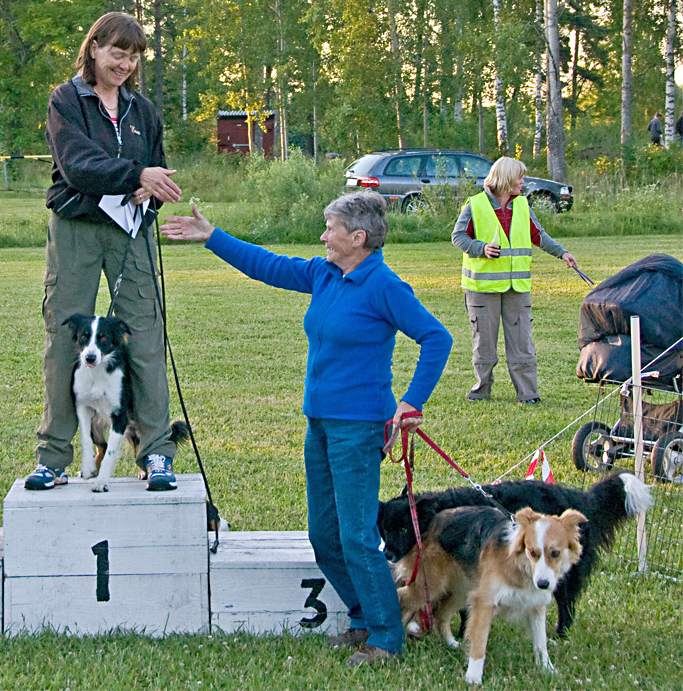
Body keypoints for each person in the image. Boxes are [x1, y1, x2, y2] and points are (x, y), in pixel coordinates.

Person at [161, 191, 453, 666]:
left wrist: (411, 402)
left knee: (357, 536)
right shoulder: (324, 273)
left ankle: (387, 637)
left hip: (358, 428)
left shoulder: (385, 286)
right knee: (324, 535)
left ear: (357, 238)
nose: (323, 236)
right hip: (318, 423)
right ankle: (363, 618)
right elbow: (267, 265)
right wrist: (211, 236)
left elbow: (436, 337)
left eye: (330, 228)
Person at [26, 12, 183, 491]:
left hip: (131, 231)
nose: (125, 64)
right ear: (93, 48)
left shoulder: (143, 110)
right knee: (64, 338)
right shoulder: (66, 100)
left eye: (134, 56)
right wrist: (134, 175)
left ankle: (156, 454)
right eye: (117, 53)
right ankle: (53, 455)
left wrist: (149, 194)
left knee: (147, 336)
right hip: (76, 226)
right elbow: (77, 166)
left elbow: (156, 172)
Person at [452, 156, 578, 404]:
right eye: (519, 177)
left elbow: (538, 235)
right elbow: (458, 237)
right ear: (507, 179)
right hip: (482, 287)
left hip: (517, 288)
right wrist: (481, 248)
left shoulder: (522, 205)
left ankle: (528, 394)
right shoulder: (475, 205)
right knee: (484, 345)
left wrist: (562, 253)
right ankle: (481, 391)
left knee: (522, 344)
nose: (523, 182)